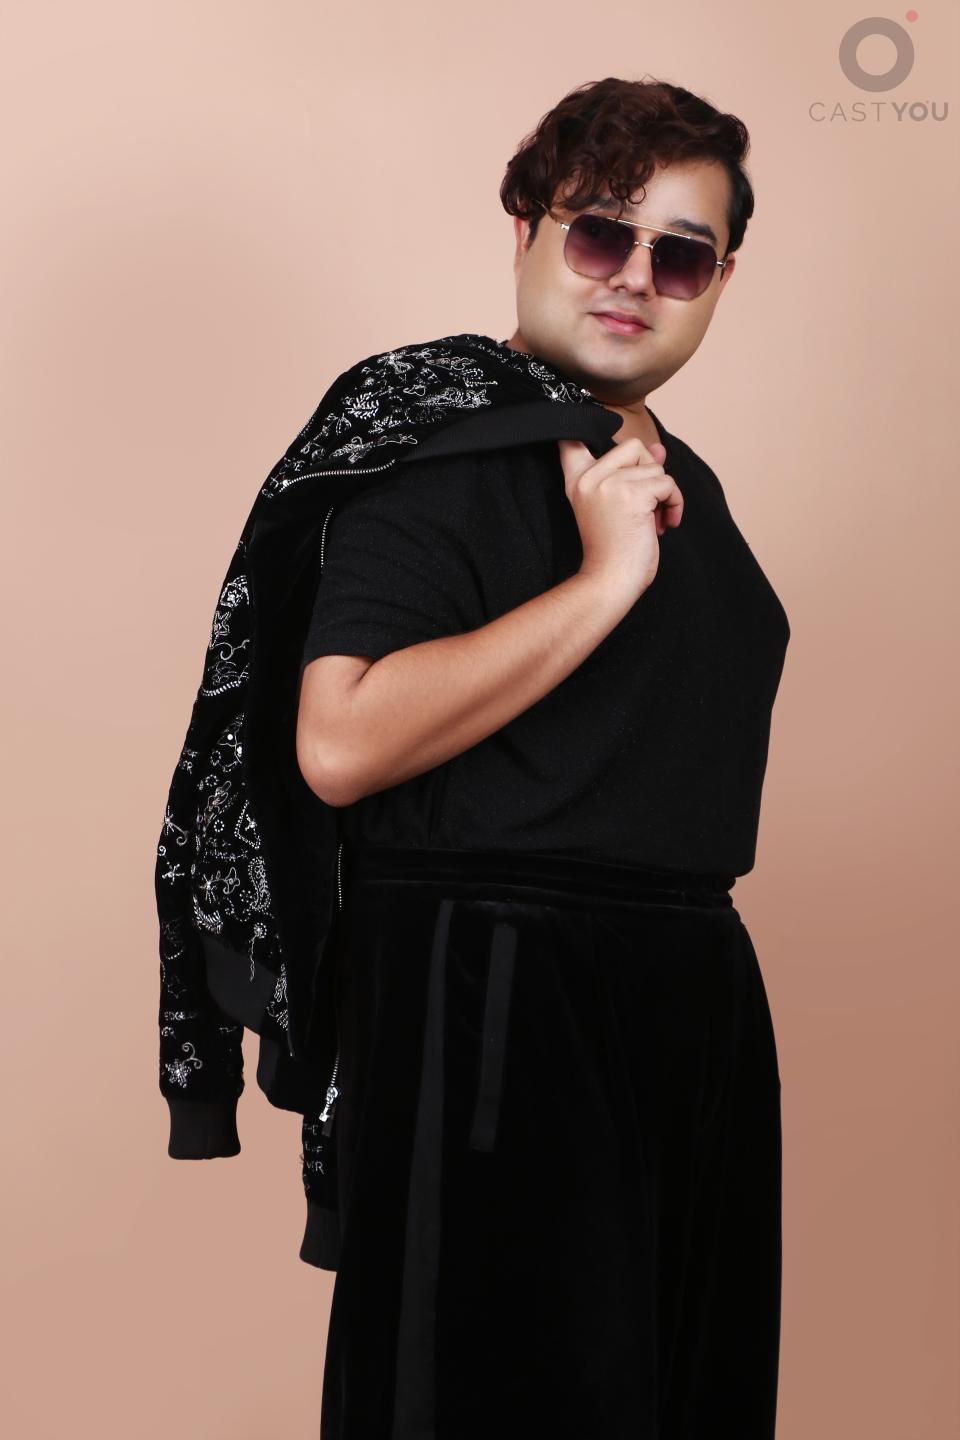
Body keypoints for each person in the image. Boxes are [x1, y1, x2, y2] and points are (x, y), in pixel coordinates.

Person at [296, 75, 790, 1440]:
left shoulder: (673, 470)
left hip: (687, 999)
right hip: (498, 988)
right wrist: (603, 578)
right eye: (599, 233)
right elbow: (338, 742)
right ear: (526, 229)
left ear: (719, 281)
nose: (634, 277)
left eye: (679, 254)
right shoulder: (438, 438)